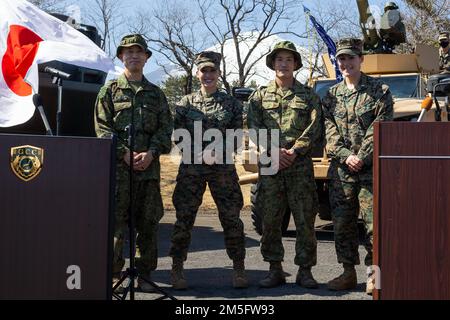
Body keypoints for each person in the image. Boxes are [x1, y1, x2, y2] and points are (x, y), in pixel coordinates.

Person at [94, 34, 173, 293]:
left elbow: (165, 130)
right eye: (128, 52)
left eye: (139, 52)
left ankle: (145, 273)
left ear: (147, 57)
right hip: (118, 172)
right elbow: (102, 127)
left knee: (148, 223)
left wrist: (150, 153)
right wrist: (124, 153)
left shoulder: (156, 94)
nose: (134, 56)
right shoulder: (109, 91)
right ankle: (114, 273)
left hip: (148, 172)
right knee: (115, 223)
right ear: (121, 57)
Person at [169, 51, 248, 290]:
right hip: (191, 170)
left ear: (219, 73)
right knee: (184, 218)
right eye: (204, 71)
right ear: (197, 73)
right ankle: (176, 269)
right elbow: (177, 135)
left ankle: (239, 268)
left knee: (231, 219)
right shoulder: (185, 103)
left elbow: (236, 135)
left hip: (222, 169)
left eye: (212, 71)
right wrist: (199, 153)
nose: (208, 75)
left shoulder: (232, 104)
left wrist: (216, 151)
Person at [247, 41, 323, 289]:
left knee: (305, 220)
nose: (283, 63)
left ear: (296, 64)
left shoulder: (309, 95)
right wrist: (273, 151)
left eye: (289, 59)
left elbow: (315, 128)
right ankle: (274, 269)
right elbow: (253, 127)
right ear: (272, 64)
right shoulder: (259, 96)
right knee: (270, 221)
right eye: (279, 59)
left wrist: (294, 150)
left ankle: (305, 271)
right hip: (271, 165)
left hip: (299, 165)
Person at [322, 38, 393, 294]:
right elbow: (329, 131)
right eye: (342, 58)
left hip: (371, 170)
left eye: (351, 57)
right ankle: (347, 274)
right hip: (342, 172)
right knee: (342, 225)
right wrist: (345, 156)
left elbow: (381, 127)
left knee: (375, 226)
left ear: (361, 59)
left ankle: (374, 276)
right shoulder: (330, 96)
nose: (346, 63)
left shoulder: (379, 90)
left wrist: (361, 156)